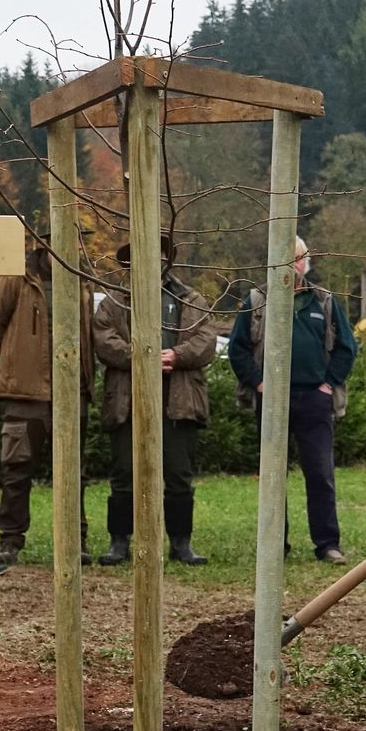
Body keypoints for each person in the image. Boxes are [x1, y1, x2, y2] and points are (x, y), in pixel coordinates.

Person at [228, 238, 358, 564]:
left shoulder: (324, 301)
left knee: (321, 475)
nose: (294, 265)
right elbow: (238, 349)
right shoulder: (257, 301)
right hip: (272, 401)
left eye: (298, 259)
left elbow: (347, 348)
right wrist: (258, 383)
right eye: (287, 259)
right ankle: (274, 546)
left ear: (306, 262)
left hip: (315, 400)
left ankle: (328, 545)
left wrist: (328, 385)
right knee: (273, 477)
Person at [93, 237, 218, 565]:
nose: (153, 260)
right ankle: (119, 543)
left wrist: (176, 355)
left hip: (178, 401)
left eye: (159, 254)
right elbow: (103, 340)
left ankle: (181, 544)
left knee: (179, 475)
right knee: (123, 474)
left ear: (167, 260)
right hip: (127, 399)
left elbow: (206, 340)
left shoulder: (191, 299)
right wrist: (141, 357)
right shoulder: (114, 301)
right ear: (130, 263)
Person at [0, 237, 93, 568]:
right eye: (67, 239)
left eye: (78, 241)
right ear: (44, 244)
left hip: (71, 392)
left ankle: (76, 542)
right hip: (25, 393)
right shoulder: (16, 275)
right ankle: (10, 540)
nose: (74, 246)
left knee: (73, 470)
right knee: (16, 469)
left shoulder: (83, 280)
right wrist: (19, 361)